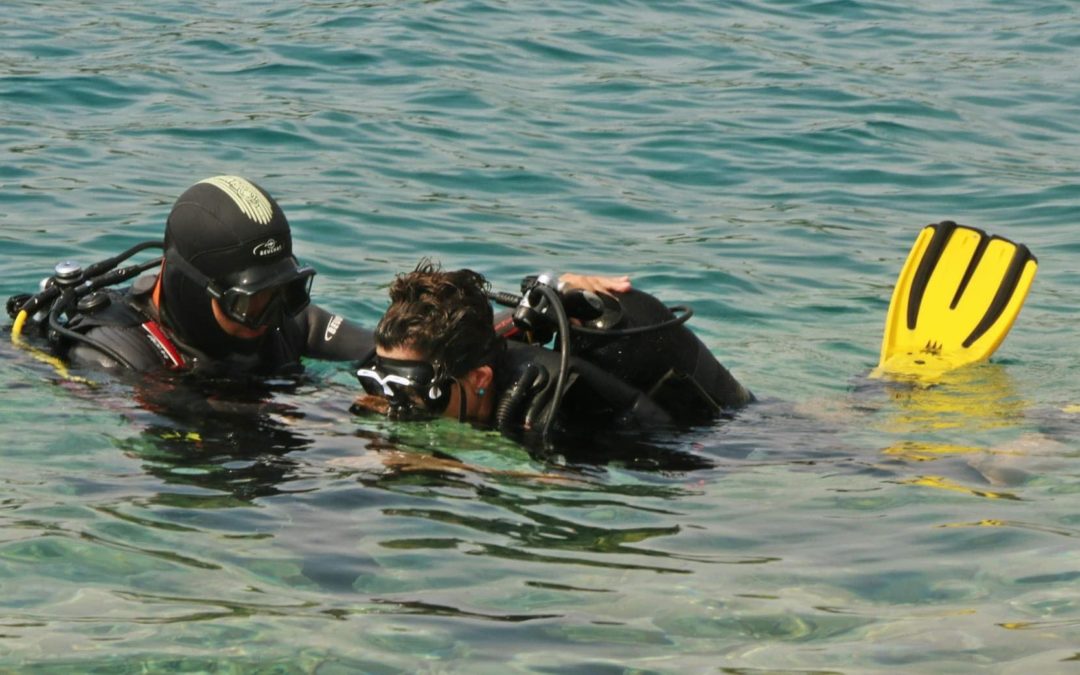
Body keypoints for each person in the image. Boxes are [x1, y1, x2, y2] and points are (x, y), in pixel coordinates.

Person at [7, 175, 630, 382]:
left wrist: (529, 316)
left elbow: (401, 359)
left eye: (289, 292)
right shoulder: (117, 364)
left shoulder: (278, 323)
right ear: (196, 291)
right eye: (252, 302)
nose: (272, 317)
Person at [353, 261, 753, 446]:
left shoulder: (549, 412)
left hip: (742, 439)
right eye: (378, 378)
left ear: (480, 380)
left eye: (413, 387)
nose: (393, 401)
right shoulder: (456, 367)